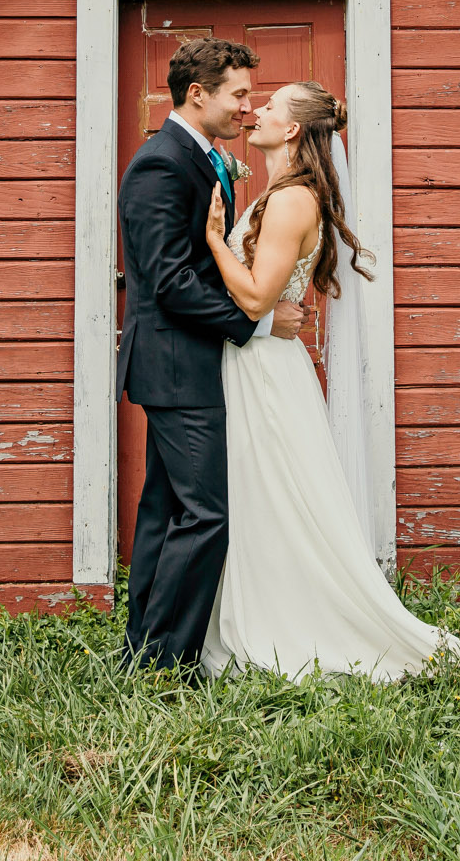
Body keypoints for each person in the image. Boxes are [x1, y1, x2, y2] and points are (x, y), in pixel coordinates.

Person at [199, 79, 460, 683]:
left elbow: (254, 297)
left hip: (265, 373)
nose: (256, 112)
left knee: (274, 497)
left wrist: (212, 242)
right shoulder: (277, 192)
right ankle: (253, 612)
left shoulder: (292, 201)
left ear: (294, 129)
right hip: (256, 363)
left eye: (270, 106)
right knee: (260, 498)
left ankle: (280, 627)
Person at [115, 37, 305, 676]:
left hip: (190, 363)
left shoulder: (205, 157)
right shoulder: (159, 164)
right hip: (175, 365)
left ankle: (144, 651)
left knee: (166, 511)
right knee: (205, 515)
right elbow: (169, 281)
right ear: (198, 94)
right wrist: (257, 323)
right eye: (240, 95)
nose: (248, 109)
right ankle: (165, 664)